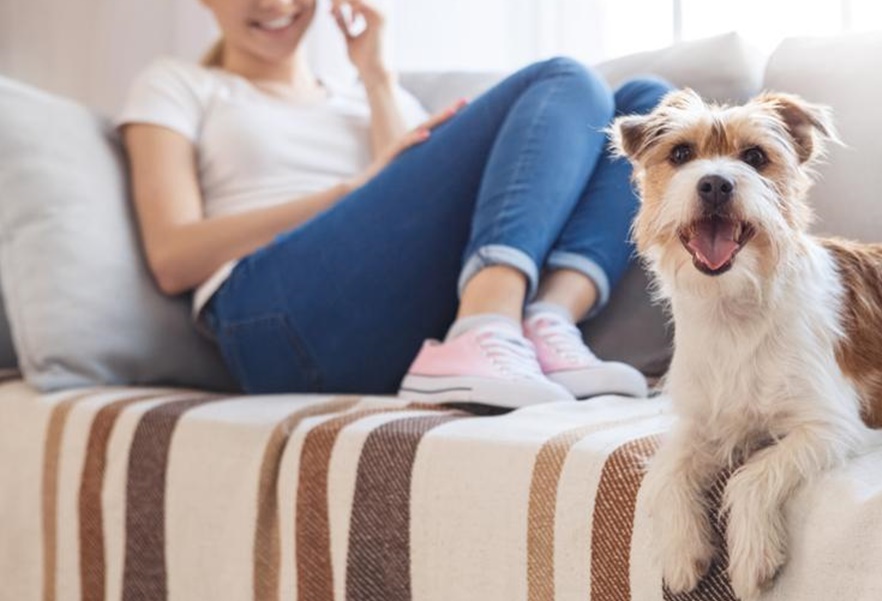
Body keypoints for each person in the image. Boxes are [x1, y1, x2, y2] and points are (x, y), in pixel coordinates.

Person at [117, 0, 672, 409]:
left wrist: (376, 77)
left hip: (391, 319)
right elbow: (171, 255)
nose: (274, 5)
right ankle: (485, 320)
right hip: (272, 319)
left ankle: (546, 319)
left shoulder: (366, 93)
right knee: (564, 81)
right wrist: (348, 191)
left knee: (646, 105)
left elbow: (410, 208)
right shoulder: (179, 84)